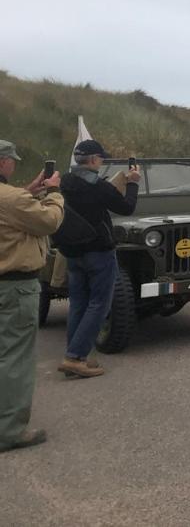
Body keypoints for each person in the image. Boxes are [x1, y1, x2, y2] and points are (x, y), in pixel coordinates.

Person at [0, 139, 63, 453]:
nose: (13, 164)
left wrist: (31, 188)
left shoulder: (11, 197)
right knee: (16, 359)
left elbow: (12, 204)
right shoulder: (10, 198)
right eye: (11, 160)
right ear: (3, 163)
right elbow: (48, 221)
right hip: (16, 285)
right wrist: (54, 194)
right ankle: (10, 430)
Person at [58, 139, 139, 378]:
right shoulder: (98, 187)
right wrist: (132, 183)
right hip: (99, 252)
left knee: (79, 304)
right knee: (99, 304)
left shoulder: (65, 182)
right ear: (93, 160)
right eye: (100, 158)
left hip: (73, 252)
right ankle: (74, 358)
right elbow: (126, 208)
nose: (101, 162)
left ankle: (74, 354)